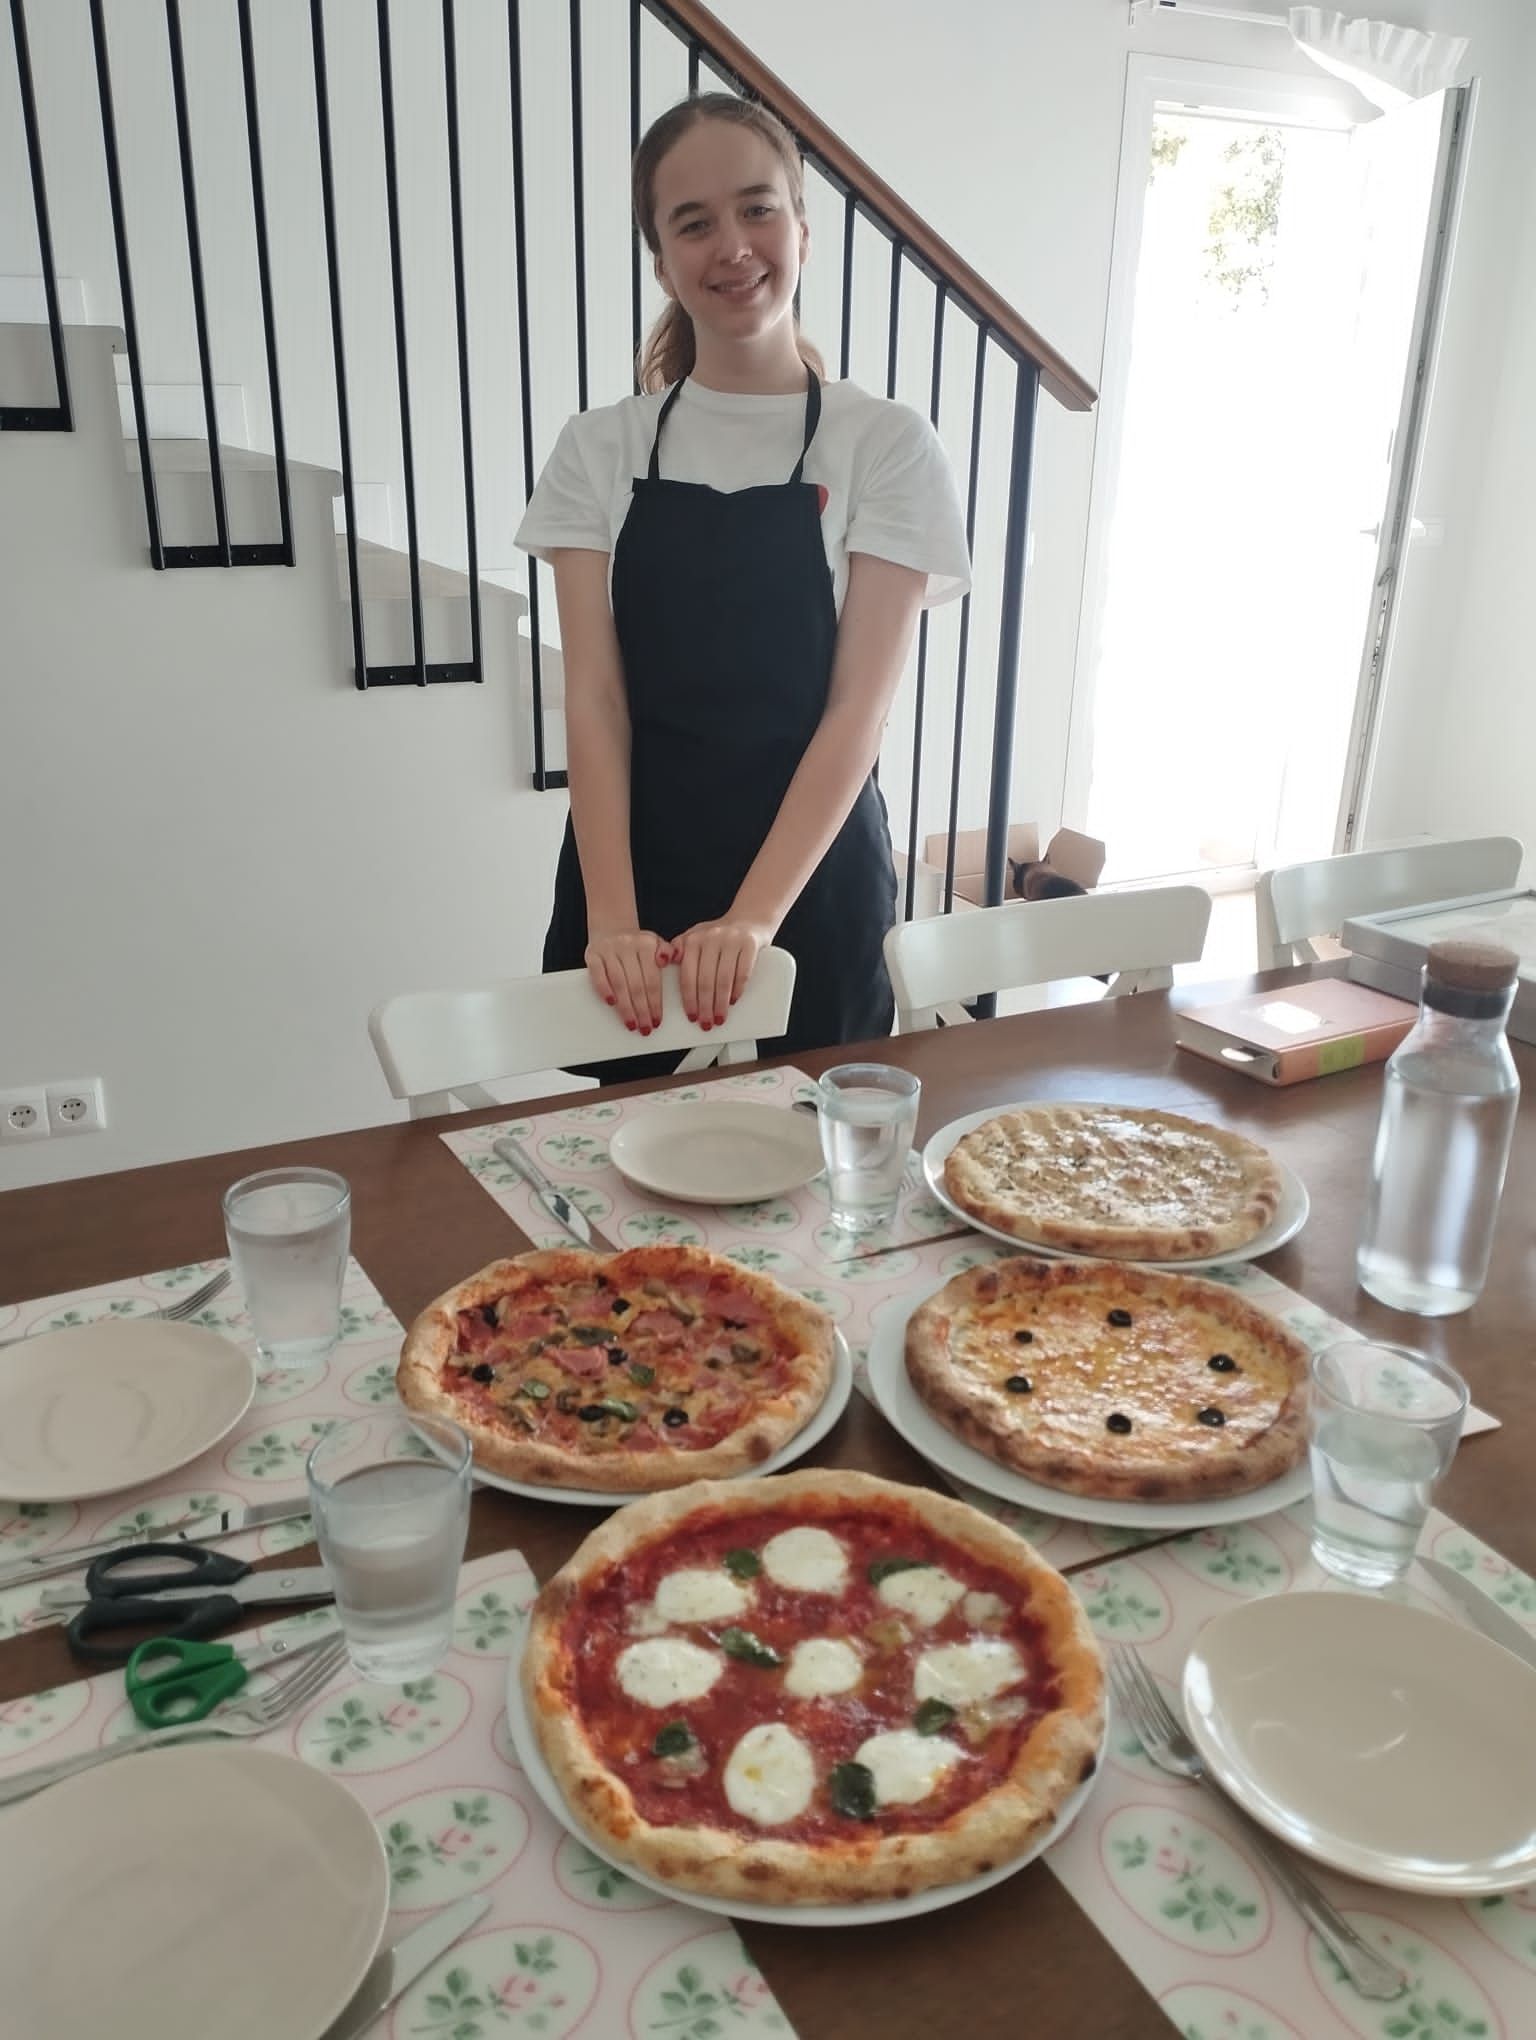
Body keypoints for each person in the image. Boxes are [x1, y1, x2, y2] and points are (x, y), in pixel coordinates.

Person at [516, 93, 969, 1074]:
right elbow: (594, 701)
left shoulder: (885, 444)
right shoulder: (599, 449)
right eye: (694, 222)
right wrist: (613, 924)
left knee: (813, 1199)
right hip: (638, 885)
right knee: (616, 1192)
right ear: (662, 260)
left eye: (757, 209)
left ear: (802, 229)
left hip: (814, 885)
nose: (733, 245)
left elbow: (858, 710)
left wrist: (755, 918)